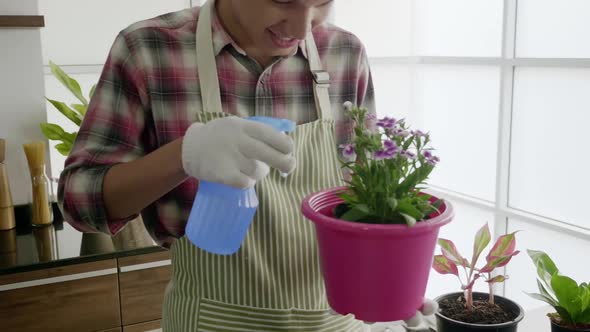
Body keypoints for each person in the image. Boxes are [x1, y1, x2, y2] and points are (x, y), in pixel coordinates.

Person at [58, 0, 435, 330]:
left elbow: (362, 197)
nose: (302, 28)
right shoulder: (149, 49)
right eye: (283, 0)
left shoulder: (344, 53)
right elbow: (80, 202)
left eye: (322, 1)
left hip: (335, 322)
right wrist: (184, 155)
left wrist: (388, 277)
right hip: (210, 321)